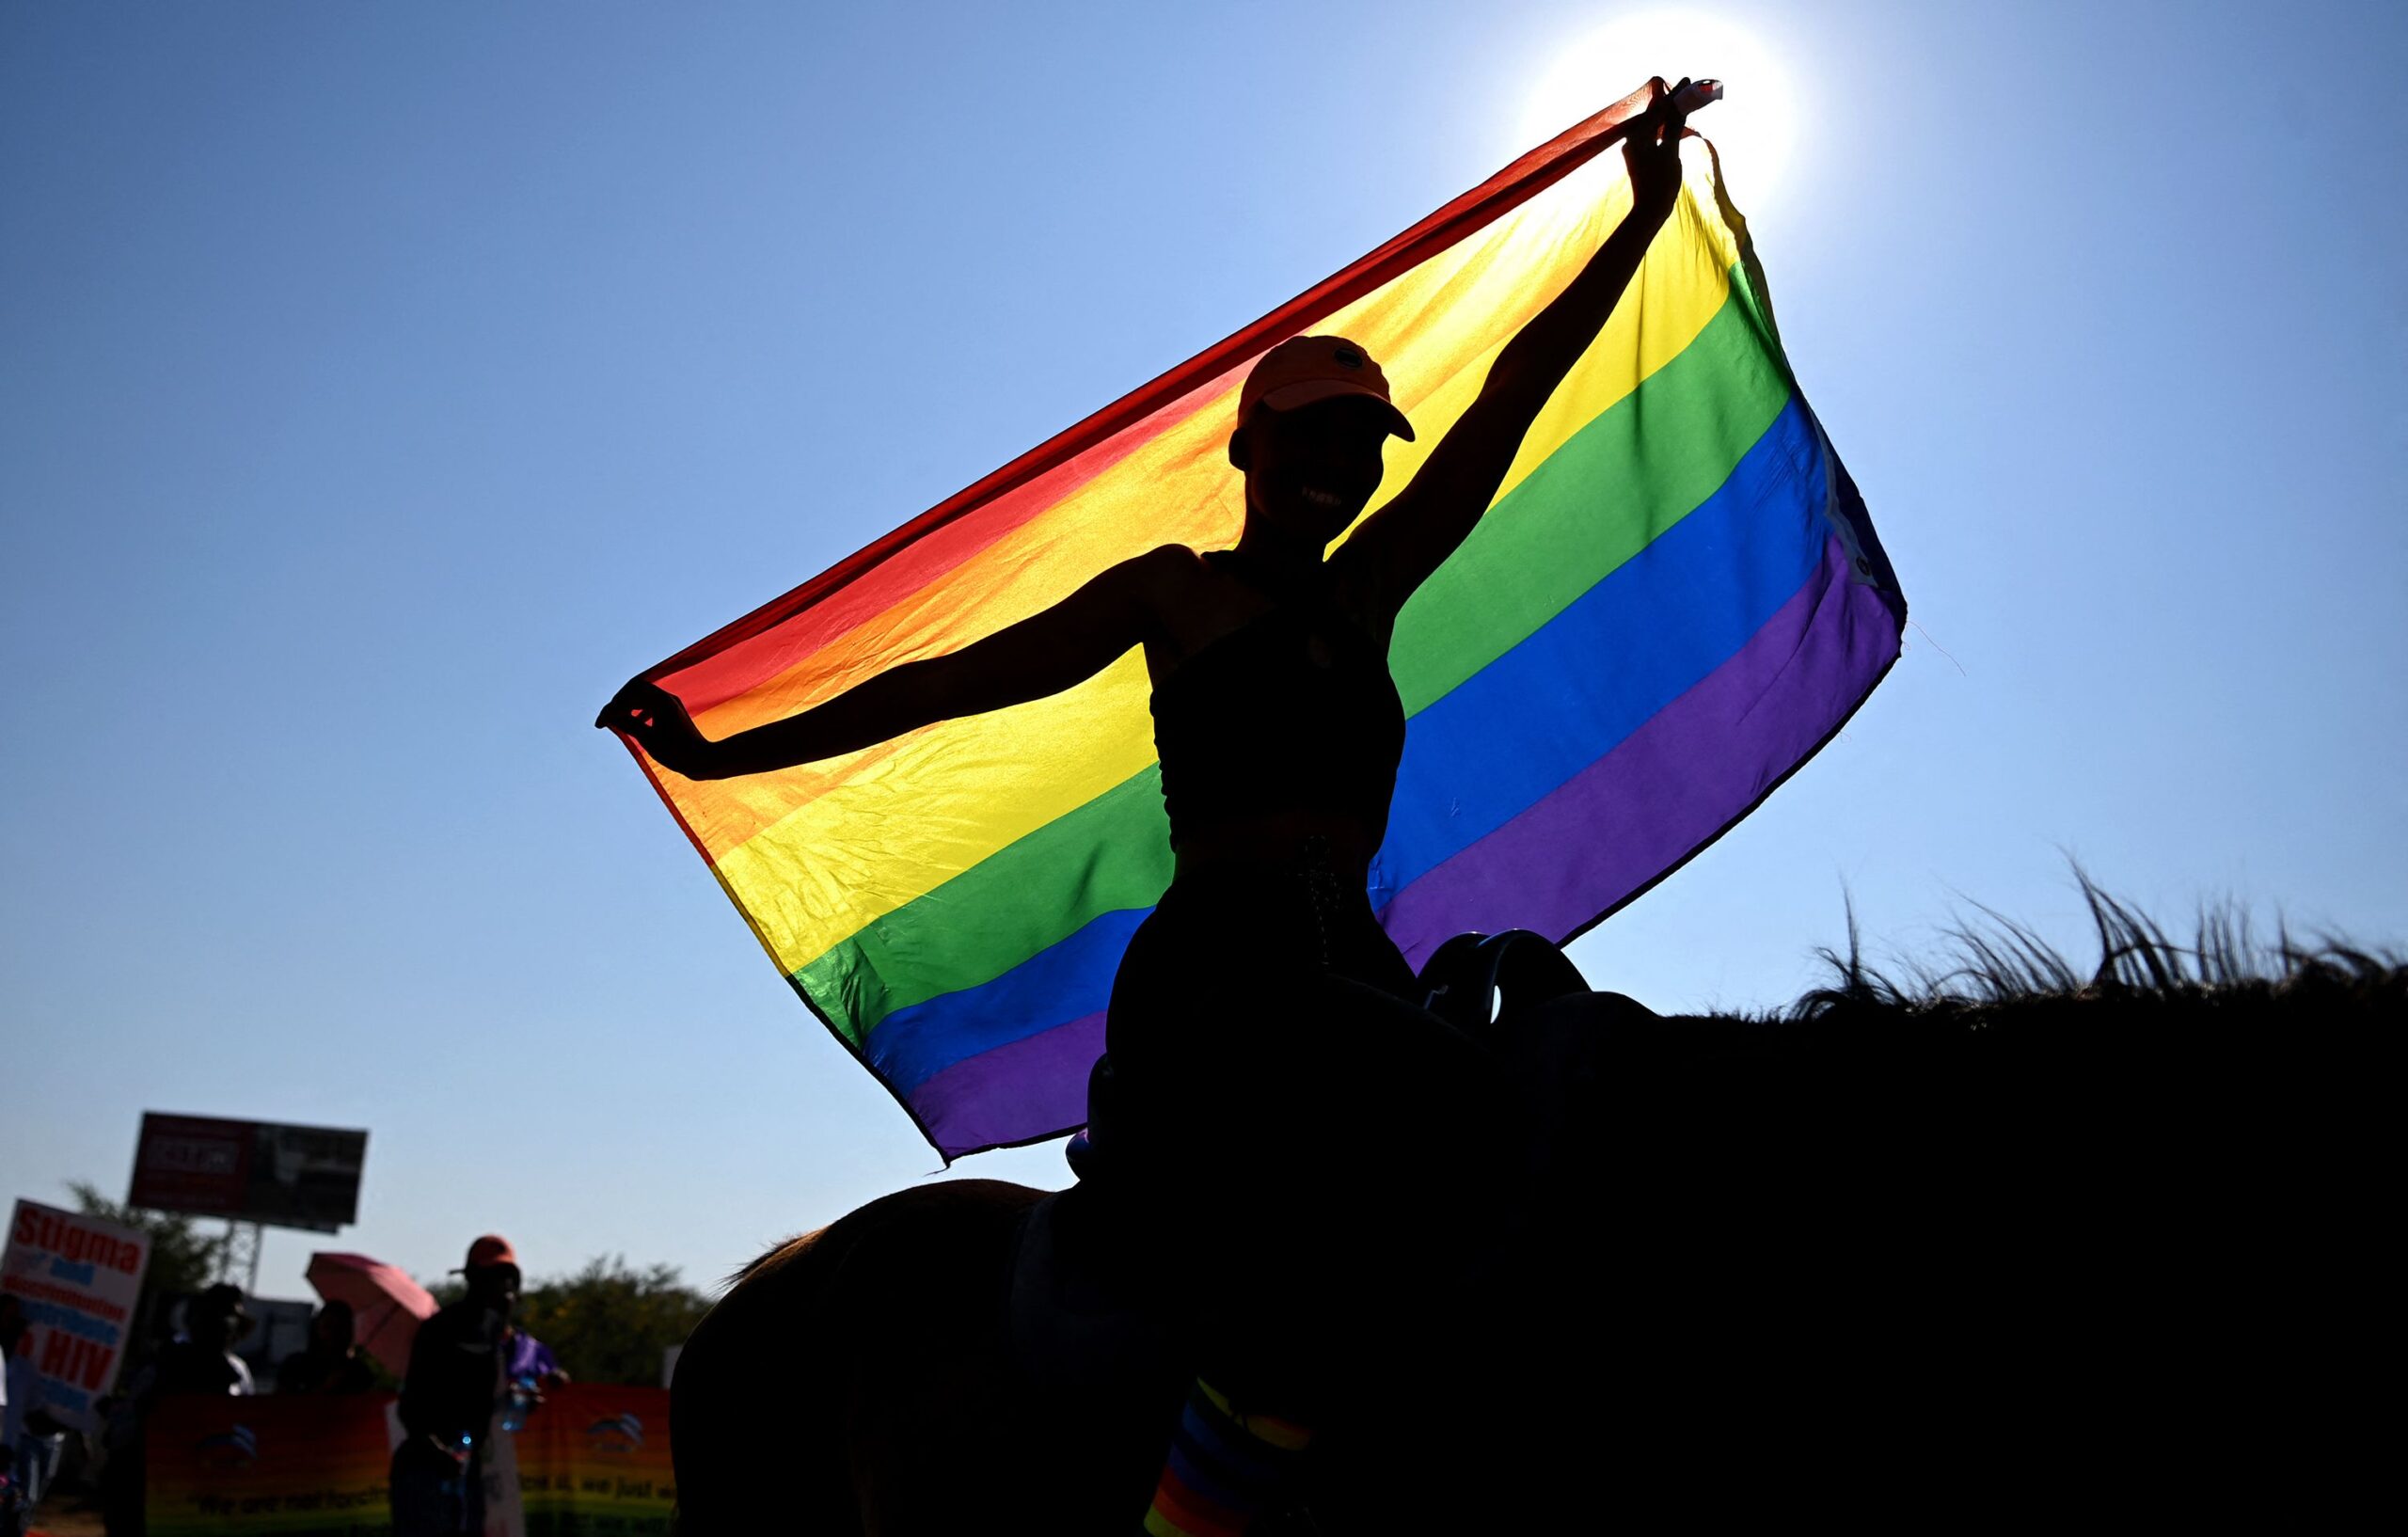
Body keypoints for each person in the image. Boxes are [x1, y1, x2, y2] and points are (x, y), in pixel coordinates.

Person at [605, 82, 1694, 1533]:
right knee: (1314, 1200)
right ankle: (1201, 1496)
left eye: (1362, 445)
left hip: (1352, 963)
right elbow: (945, 684)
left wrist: (1636, 212)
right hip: (1220, 977)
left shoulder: (1371, 590)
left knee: (1539, 1101)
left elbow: (1513, 396)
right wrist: (733, 752)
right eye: (1312, 439)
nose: (1340, 465)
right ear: (1250, 450)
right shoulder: (1172, 593)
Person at [390, 1235, 521, 1537]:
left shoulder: (504, 1337)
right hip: (426, 1470)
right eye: (492, 1276)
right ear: (472, 1278)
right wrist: (437, 1450)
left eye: (507, 1278)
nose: (501, 1285)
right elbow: (410, 1406)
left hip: (473, 1472)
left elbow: (516, 1387)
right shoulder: (440, 1329)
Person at [276, 1300, 377, 1394]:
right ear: (317, 1329)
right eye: (328, 1327)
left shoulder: (359, 1372)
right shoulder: (296, 1365)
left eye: (341, 1328)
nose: (334, 1334)